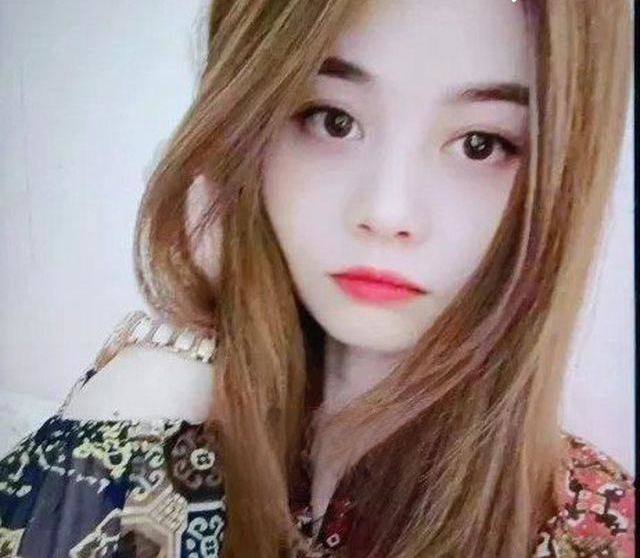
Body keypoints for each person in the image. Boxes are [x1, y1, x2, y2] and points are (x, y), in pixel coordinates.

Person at [0, 0, 634, 556]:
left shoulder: (595, 529)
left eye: (480, 144)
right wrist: (182, 346)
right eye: (333, 119)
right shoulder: (164, 417)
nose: (387, 212)